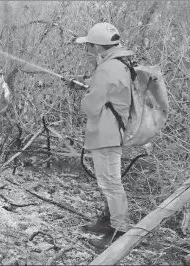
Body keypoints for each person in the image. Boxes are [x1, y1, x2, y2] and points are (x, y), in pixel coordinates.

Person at [67, 22, 135, 250]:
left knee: (110, 183)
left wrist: (85, 95)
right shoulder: (119, 63)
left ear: (98, 47)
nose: (87, 50)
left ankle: (119, 230)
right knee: (109, 181)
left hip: (106, 133)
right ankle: (108, 221)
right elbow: (108, 89)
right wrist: (86, 83)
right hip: (112, 131)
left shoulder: (107, 69)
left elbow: (91, 107)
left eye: (89, 46)